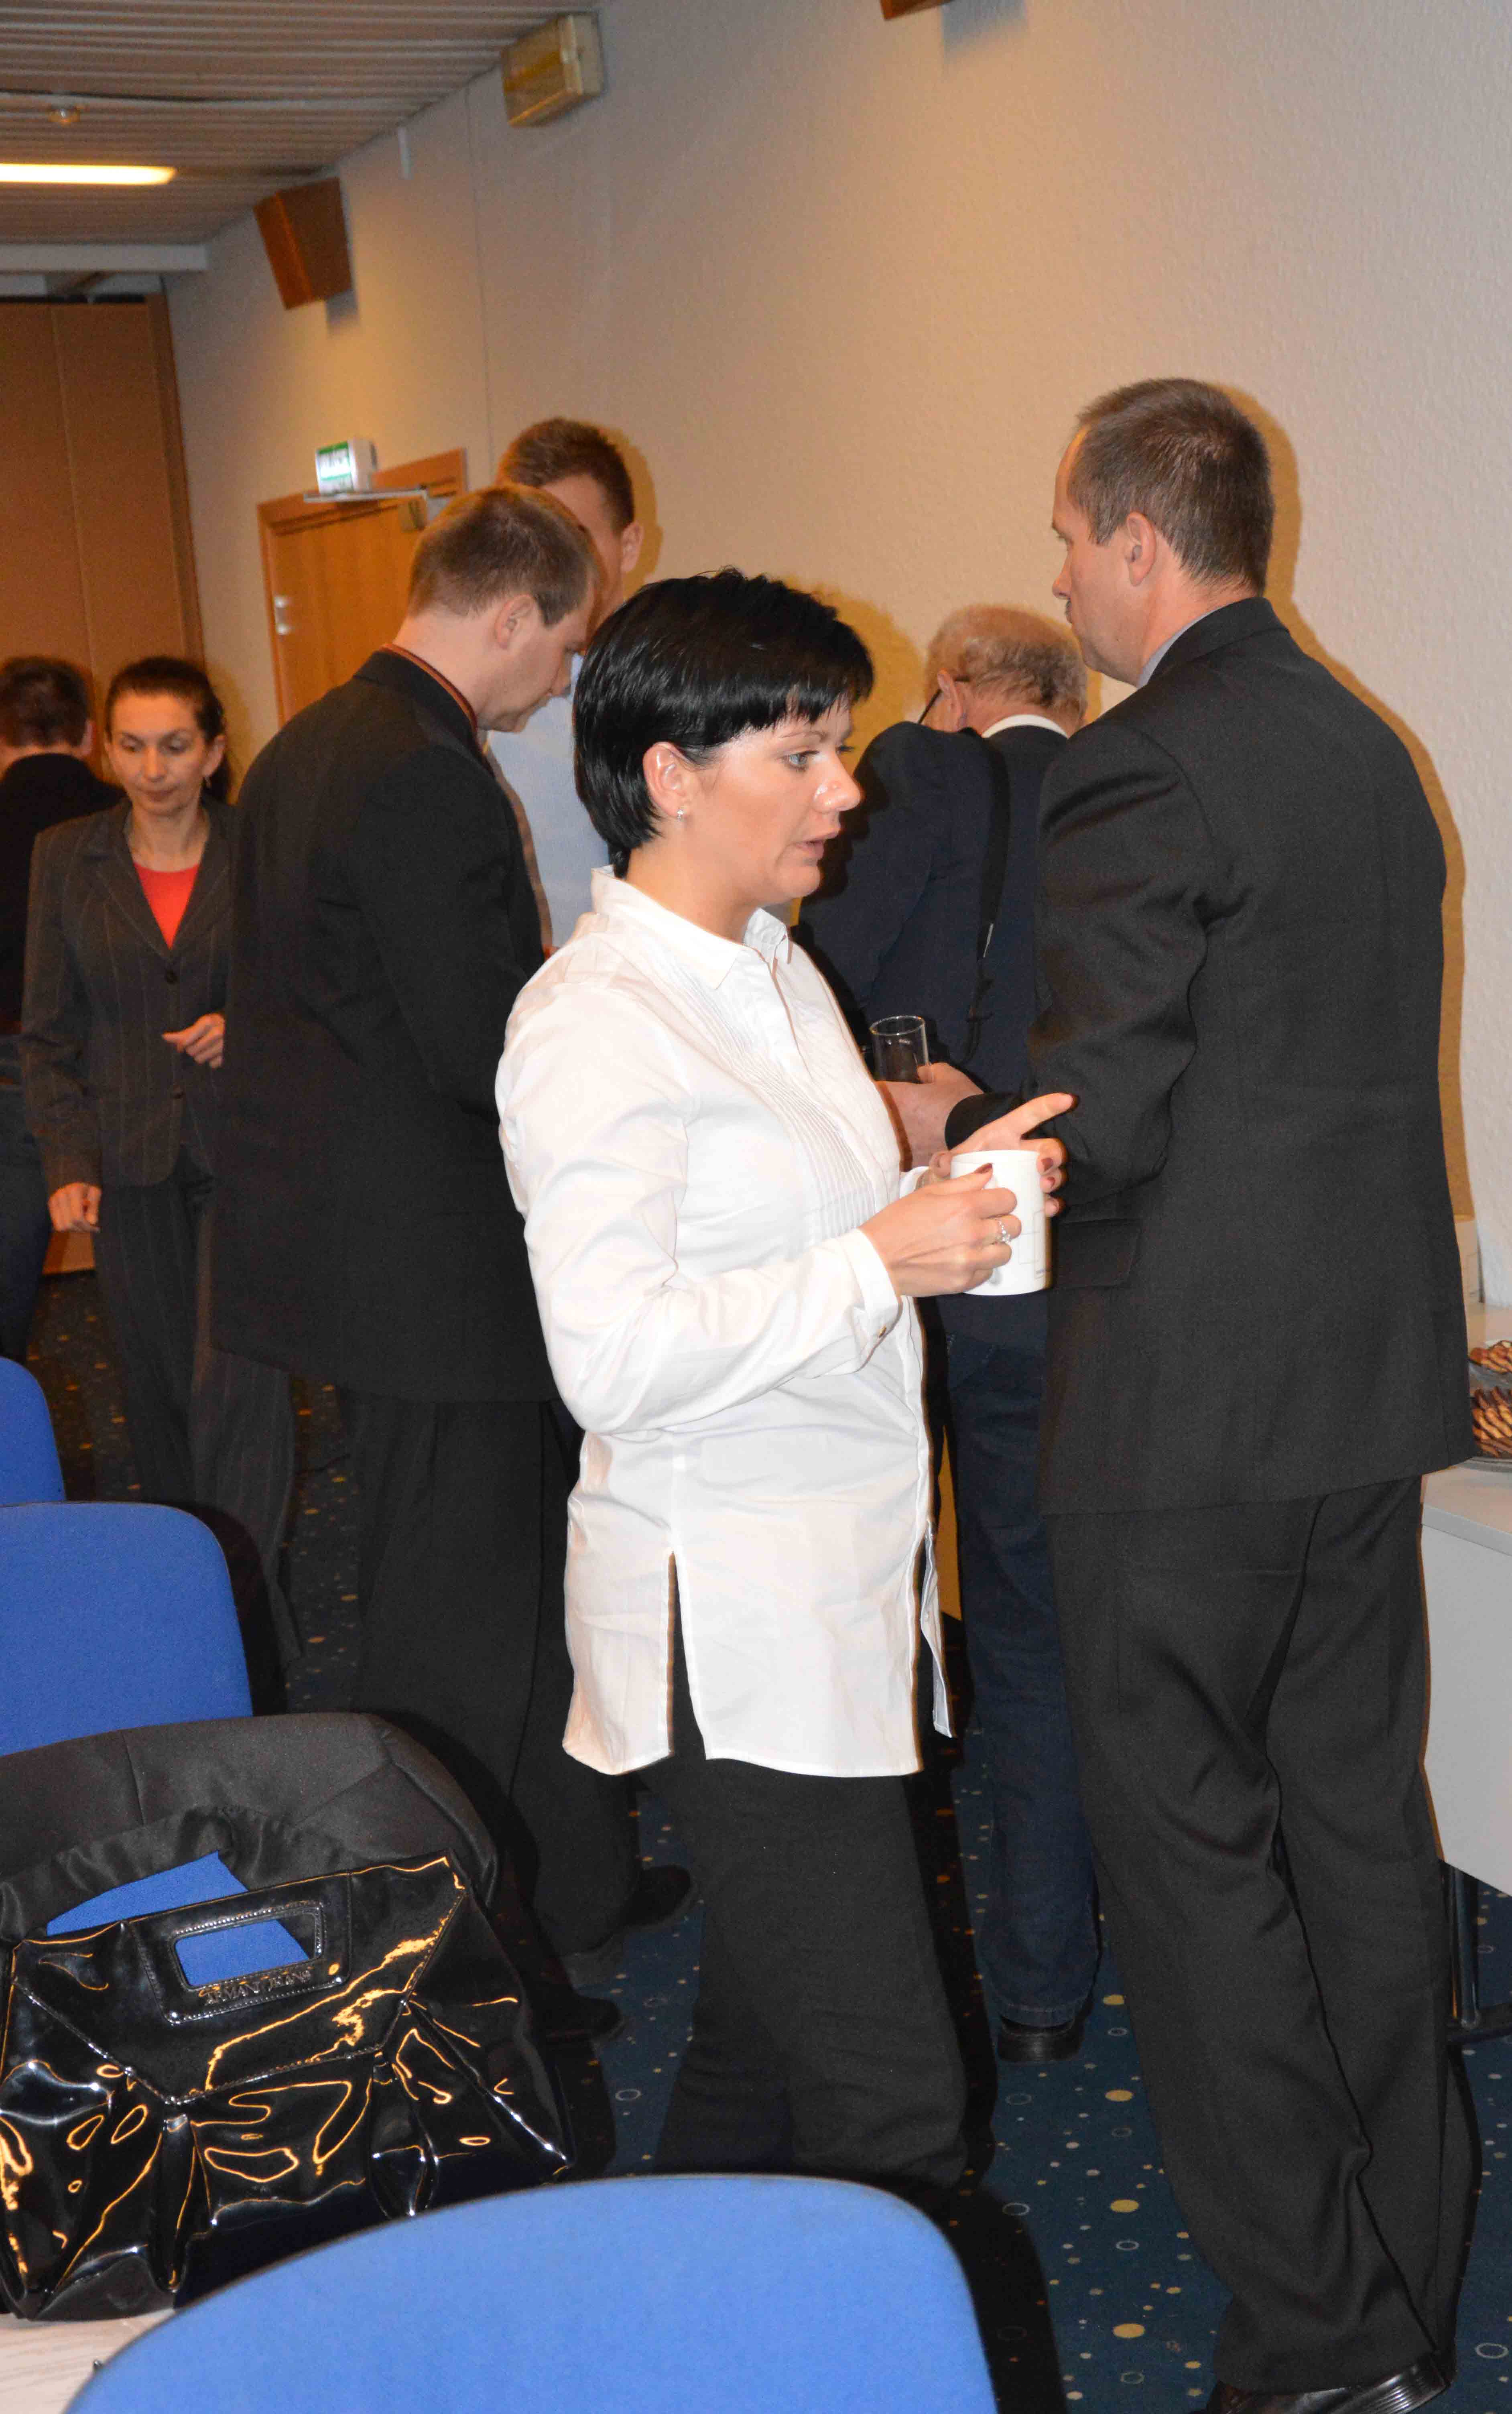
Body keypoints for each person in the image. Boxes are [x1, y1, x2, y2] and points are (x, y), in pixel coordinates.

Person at [948, 380, 1475, 2414]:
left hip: (1182, 1410)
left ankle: (1322, 2337)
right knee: (1355, 1836)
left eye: (1067, 539)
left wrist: (970, 1129)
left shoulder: (1132, 765)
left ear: (1137, 544)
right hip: (1358, 1387)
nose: (1063, 575)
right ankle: (1399, 2291)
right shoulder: (1364, 745)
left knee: (1190, 1867)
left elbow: (1123, 1108)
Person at [497, 569, 1072, 2195]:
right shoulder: (593, 1020)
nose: (847, 790)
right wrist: (880, 1259)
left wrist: (938, 1171)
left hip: (836, 1578)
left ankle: (658, 2317)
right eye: (803, 755)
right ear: (671, 778)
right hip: (735, 1619)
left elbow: (796, 1194)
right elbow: (609, 1354)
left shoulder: (770, 962)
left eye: (839, 748)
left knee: (757, 2060)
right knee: (899, 2112)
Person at [213, 486, 684, 2006]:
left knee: (502, 1586)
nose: (567, 672)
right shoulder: (423, 768)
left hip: (353, 1251)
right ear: (512, 614)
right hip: (432, 1270)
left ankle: (571, 1880)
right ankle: (453, 1953)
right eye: (568, 639)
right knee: (459, 1624)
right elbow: (485, 1042)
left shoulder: (309, 742)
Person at [799, 607, 1098, 2066]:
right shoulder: (1123, 787)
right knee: (1041, 1619)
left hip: (910, 1242)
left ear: (957, 692)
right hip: (1073, 1265)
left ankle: (874, 1968)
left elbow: (819, 984)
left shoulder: (921, 774)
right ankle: (1047, 1981)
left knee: (866, 1592)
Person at [21, 657, 297, 1679]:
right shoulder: (67, 856)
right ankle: (195, 1620)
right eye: (132, 745)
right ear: (104, 748)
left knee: (243, 1393)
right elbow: (48, 1033)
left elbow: (310, 993)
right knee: (160, 1398)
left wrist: (246, 1025)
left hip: (247, 1154)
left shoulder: (258, 848)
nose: (153, 768)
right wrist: (67, 1158)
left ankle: (256, 1628)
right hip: (128, 1161)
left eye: (175, 745)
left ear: (214, 750)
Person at [487, 418, 645, 949]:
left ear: (628, 546)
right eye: (527, 543)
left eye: (573, 540)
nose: (548, 568)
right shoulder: (484, 713)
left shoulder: (697, 691)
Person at [0, 658, 119, 1362]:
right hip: (134, 1065)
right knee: (165, 1291)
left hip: (11, 1068)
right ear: (91, 733)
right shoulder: (133, 819)